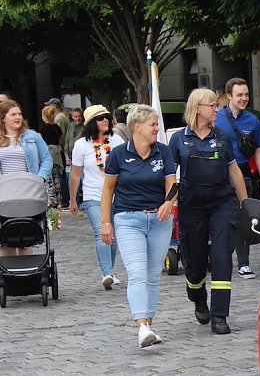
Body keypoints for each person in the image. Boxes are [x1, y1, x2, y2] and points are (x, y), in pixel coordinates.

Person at [170, 88, 248, 335]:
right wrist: (166, 202)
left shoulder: (223, 136)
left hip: (221, 202)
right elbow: (170, 177)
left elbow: (234, 170)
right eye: (212, 105)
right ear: (197, 109)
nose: (217, 109)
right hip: (192, 205)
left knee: (223, 255)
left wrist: (245, 204)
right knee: (194, 260)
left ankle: (219, 315)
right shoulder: (178, 139)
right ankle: (198, 297)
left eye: (217, 105)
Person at [100, 105, 176, 348]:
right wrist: (106, 223)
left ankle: (149, 325)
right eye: (153, 124)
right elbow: (108, 190)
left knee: (153, 275)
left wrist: (168, 202)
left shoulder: (163, 152)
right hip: (128, 219)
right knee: (137, 273)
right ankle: (141, 326)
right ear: (137, 127)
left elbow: (173, 184)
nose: (157, 128)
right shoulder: (119, 155)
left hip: (159, 220)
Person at [0, 101, 53, 255]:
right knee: (6, 238)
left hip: (29, 192)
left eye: (19, 114)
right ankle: (8, 274)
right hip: (4, 192)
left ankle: (27, 272)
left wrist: (40, 177)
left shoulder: (33, 137)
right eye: (13, 114)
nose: (18, 117)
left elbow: (47, 159)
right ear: (3, 118)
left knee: (26, 237)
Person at [215, 77, 260, 279]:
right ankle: (219, 259)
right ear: (229, 96)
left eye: (246, 94)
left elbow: (259, 150)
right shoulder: (216, 117)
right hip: (219, 173)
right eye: (239, 95)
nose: (244, 98)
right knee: (222, 217)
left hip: (243, 173)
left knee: (243, 217)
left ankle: (244, 263)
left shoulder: (252, 121)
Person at [69, 105, 126, 289]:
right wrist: (72, 200)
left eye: (107, 117)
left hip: (116, 195)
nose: (105, 120)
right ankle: (107, 273)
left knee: (114, 236)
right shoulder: (81, 145)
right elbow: (76, 174)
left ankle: (108, 270)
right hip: (93, 195)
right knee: (101, 233)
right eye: (100, 118)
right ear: (92, 123)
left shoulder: (116, 140)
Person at [40, 105, 64, 209]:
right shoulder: (56, 127)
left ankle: (51, 200)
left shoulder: (43, 127)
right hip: (57, 152)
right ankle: (59, 199)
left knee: (49, 177)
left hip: (48, 152)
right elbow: (61, 140)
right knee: (57, 177)